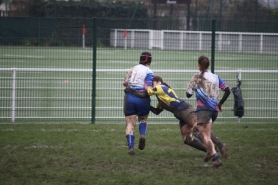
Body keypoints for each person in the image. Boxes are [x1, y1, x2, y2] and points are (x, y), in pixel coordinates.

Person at [186, 55, 231, 167]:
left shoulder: (196, 77)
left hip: (203, 110)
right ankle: (216, 147)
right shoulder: (216, 77)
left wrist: (194, 87)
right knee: (195, 129)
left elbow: (188, 94)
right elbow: (227, 90)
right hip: (214, 110)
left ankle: (216, 157)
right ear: (208, 65)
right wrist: (220, 103)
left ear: (199, 65)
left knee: (205, 135)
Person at [146, 76, 208, 154]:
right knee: (186, 139)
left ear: (159, 82)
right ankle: (208, 150)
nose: (152, 85)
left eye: (153, 83)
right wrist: (147, 105)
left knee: (199, 129)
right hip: (180, 113)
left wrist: (145, 87)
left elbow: (149, 91)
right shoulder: (161, 97)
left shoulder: (160, 87)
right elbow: (157, 111)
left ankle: (217, 146)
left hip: (184, 109)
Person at [123, 51, 154, 155]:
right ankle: (142, 134)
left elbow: (124, 82)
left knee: (130, 123)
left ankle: (131, 147)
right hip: (142, 99)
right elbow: (148, 88)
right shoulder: (149, 72)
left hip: (130, 98)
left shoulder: (133, 69)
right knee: (143, 119)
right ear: (149, 61)